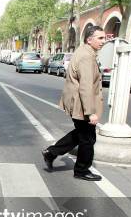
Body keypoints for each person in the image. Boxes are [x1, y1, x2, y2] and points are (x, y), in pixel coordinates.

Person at [42, 25, 105, 181]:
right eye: (100, 38)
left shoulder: (85, 52)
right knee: (88, 139)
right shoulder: (86, 56)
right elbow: (85, 86)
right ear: (89, 39)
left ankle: (51, 153)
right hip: (82, 104)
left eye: (104, 38)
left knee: (80, 134)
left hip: (78, 102)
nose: (104, 41)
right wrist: (90, 112)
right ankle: (81, 170)